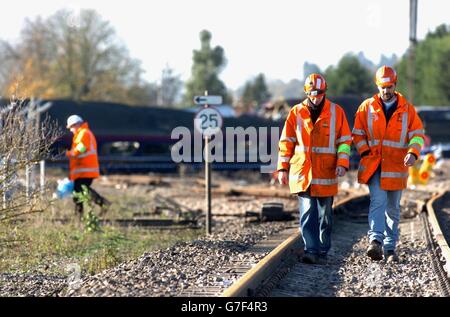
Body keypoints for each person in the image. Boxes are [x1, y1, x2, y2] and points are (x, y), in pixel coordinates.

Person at [352, 66, 425, 263]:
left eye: (389, 86)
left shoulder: (407, 110)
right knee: (378, 201)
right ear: (377, 85)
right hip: (375, 165)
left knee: (392, 209)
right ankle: (375, 240)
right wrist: (365, 151)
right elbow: (357, 133)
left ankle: (390, 248)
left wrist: (412, 152)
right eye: (382, 87)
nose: (386, 91)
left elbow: (417, 135)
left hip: (396, 168)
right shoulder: (366, 108)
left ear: (395, 85)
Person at [277, 74, 352, 264]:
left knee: (325, 215)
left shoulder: (336, 112)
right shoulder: (296, 113)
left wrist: (342, 163)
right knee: (307, 212)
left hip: (326, 173)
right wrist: (282, 168)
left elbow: (344, 141)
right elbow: (287, 142)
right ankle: (311, 250)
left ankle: (323, 249)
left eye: (319, 93)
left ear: (324, 92)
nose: (315, 97)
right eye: (312, 93)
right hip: (303, 172)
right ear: (307, 92)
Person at [66, 115, 110, 218]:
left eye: (71, 127)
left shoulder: (84, 133)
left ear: (76, 125)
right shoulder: (80, 134)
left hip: (86, 170)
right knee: (78, 192)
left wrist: (69, 154)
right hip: (81, 171)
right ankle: (79, 216)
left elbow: (81, 149)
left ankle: (102, 203)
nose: (71, 130)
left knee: (82, 190)